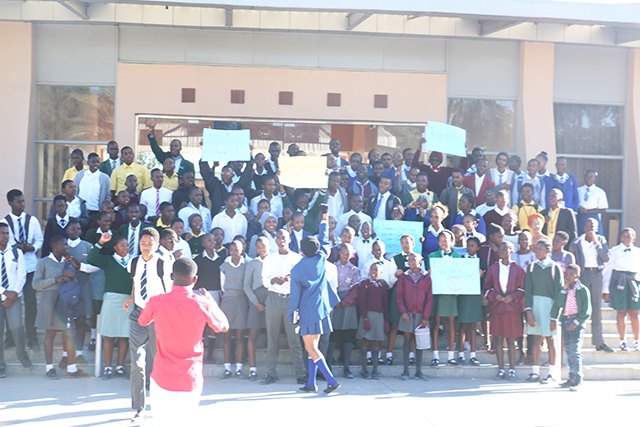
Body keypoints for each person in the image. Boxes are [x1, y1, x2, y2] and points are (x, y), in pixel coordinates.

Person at [138, 258, 228, 427]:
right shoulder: (203, 303)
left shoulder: (157, 301)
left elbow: (143, 321)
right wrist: (211, 302)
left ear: (172, 276)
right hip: (190, 377)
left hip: (162, 376)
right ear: (194, 279)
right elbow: (224, 326)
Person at [122, 228, 173, 425]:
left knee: (160, 363)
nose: (145, 247)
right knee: (137, 362)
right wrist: (132, 298)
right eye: (143, 243)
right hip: (139, 313)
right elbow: (136, 282)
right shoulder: (133, 262)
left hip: (158, 315)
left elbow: (169, 291)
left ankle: (164, 406)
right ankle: (139, 409)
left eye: (150, 244)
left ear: (157, 245)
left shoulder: (163, 263)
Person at [289, 213, 341, 394]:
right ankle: (311, 383)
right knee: (315, 348)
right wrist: (324, 219)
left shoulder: (296, 269)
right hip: (322, 308)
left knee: (310, 348)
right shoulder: (321, 258)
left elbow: (295, 297)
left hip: (307, 311)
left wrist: (291, 313)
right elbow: (325, 240)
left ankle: (331, 380)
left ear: (301, 250)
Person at [33, 235, 88, 379]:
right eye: (64, 244)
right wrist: (55, 279)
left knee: (70, 333)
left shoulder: (68, 262)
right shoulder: (43, 262)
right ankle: (49, 368)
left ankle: (72, 368)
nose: (67, 247)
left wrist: (72, 276)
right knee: (50, 334)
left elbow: (74, 282)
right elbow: (36, 284)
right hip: (49, 301)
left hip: (66, 302)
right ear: (55, 246)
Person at [260, 228, 306, 385]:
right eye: (278, 238)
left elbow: (302, 280)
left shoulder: (297, 258)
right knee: (272, 338)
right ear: (275, 240)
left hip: (291, 300)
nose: (281, 241)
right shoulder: (270, 259)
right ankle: (270, 373)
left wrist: (290, 278)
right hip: (274, 298)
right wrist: (274, 280)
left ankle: (301, 373)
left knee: (294, 338)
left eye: (284, 238)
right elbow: (265, 281)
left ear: (289, 240)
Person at [1, 190, 44, 350]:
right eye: (19, 202)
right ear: (10, 203)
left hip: (30, 267)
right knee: (9, 302)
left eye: (23, 201)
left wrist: (32, 247)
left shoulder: (32, 220)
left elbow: (39, 239)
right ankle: (10, 337)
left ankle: (32, 337)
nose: (22, 204)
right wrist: (16, 247)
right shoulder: (4, 222)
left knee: (31, 302)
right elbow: (3, 243)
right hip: (11, 270)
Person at [87, 233, 132, 379]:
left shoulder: (133, 261)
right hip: (111, 300)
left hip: (128, 301)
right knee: (109, 335)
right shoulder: (108, 260)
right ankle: (107, 367)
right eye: (121, 245)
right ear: (115, 248)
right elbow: (91, 259)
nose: (125, 248)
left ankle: (120, 367)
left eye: (127, 245)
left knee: (124, 336)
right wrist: (100, 242)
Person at [483, 241, 525, 381]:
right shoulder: (493, 268)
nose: (501, 251)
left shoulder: (518, 269)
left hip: (512, 309)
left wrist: (512, 297)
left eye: (504, 249)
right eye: (500, 249)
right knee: (498, 339)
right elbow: (486, 287)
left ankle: (512, 369)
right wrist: (495, 296)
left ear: (511, 251)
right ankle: (501, 369)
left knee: (511, 340)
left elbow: (522, 288)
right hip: (497, 308)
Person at [569, 218, 611, 352]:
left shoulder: (601, 240)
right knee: (579, 307)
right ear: (584, 228)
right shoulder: (577, 242)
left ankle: (598, 342)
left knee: (596, 308)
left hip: (596, 274)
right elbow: (572, 259)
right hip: (583, 275)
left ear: (597, 228)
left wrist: (596, 243)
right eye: (587, 226)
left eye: (592, 227)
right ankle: (574, 341)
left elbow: (606, 257)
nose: (589, 229)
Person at [524, 239, 563, 383]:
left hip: (549, 307)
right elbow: (528, 290)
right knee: (535, 339)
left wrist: (554, 317)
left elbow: (559, 293)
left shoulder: (554, 268)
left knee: (550, 339)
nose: (537, 251)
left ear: (548, 250)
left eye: (540, 248)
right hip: (535, 306)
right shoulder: (532, 267)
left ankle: (552, 374)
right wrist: (528, 311)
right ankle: (535, 372)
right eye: (536, 248)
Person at [551, 264, 591, 390]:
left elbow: (587, 310)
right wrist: (563, 290)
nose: (567, 277)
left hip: (576, 323)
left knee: (575, 351)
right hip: (566, 321)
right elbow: (559, 303)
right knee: (568, 351)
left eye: (570, 274)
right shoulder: (565, 289)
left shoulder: (582, 290)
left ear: (577, 276)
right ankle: (571, 377)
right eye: (566, 274)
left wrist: (577, 322)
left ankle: (578, 379)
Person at [63, 219, 98, 364]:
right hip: (66, 288)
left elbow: (96, 266)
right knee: (67, 322)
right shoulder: (62, 245)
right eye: (73, 229)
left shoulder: (87, 246)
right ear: (67, 230)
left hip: (83, 287)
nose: (76, 231)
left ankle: (79, 353)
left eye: (78, 229)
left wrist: (80, 267)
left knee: (81, 320)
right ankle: (65, 354)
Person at [0, 223, 31, 378]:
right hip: (4, 294)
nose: (6, 236)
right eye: (2, 233)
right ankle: (1, 365)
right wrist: (5, 292)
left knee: (17, 326)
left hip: (14, 297)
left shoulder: (16, 252)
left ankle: (22, 354)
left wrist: (13, 294)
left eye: (7, 233)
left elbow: (22, 276)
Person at [396, 252, 432, 381]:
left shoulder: (426, 277)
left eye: (413, 259)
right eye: (409, 259)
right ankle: (405, 371)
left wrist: (425, 317)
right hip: (408, 313)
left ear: (420, 261)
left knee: (419, 342)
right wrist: (403, 312)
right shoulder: (404, 277)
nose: (410, 261)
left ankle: (418, 371)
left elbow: (429, 298)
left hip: (421, 314)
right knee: (407, 339)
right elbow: (399, 296)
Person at [603, 228, 640, 351]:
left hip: (634, 283)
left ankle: (637, 341)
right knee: (621, 312)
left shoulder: (638, 252)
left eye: (629, 237)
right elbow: (607, 270)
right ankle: (623, 341)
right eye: (624, 236)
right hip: (619, 283)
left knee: (634, 313)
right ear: (620, 238)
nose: (626, 239)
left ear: (633, 239)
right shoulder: (614, 251)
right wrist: (605, 289)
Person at [428, 230, 461, 366]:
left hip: (451, 294)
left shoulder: (458, 257)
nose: (443, 243)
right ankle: (435, 355)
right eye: (441, 240)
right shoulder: (432, 256)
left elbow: (461, 275)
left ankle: (451, 356)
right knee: (436, 322)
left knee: (451, 323)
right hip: (438, 293)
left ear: (452, 242)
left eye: (446, 240)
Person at [328, 243, 360, 379]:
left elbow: (355, 290)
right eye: (343, 253)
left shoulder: (354, 270)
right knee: (332, 333)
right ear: (339, 253)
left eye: (348, 254)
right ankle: (328, 365)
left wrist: (343, 303)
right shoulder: (332, 267)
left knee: (347, 334)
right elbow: (328, 286)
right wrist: (335, 301)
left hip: (348, 303)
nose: (345, 256)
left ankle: (346, 367)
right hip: (334, 302)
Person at [219, 240, 249, 379]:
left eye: (237, 250)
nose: (234, 252)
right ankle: (227, 369)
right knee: (227, 335)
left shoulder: (246, 265)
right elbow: (222, 285)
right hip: (228, 300)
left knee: (240, 335)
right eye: (232, 250)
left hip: (241, 299)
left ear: (242, 250)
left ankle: (239, 368)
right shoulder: (224, 266)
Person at [355, 262, 389, 379]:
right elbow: (361, 301)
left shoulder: (382, 287)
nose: (373, 272)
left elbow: (385, 304)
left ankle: (375, 370)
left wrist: (386, 321)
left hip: (379, 317)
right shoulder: (365, 284)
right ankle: (364, 370)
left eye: (376, 270)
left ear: (381, 272)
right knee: (366, 341)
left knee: (376, 342)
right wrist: (365, 317)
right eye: (372, 269)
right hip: (368, 316)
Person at [243, 236, 270, 380]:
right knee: (253, 334)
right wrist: (256, 303)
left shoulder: (275, 261)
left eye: (263, 246)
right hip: (257, 300)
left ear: (269, 246)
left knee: (272, 335)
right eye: (258, 247)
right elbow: (246, 286)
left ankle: (270, 369)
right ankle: (253, 369)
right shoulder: (252, 263)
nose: (261, 249)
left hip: (272, 299)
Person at [458, 237, 486, 365]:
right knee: (462, 325)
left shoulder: (481, 262)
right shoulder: (461, 259)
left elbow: (485, 280)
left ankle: (473, 355)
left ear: (478, 248)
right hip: (463, 295)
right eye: (468, 245)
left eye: (473, 246)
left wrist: (481, 276)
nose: (470, 248)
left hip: (474, 296)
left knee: (473, 326)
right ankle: (461, 354)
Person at [75, 153, 111, 222]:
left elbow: (107, 195)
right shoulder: (80, 175)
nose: (95, 164)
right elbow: (74, 191)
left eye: (97, 162)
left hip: (96, 211)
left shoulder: (104, 177)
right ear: (88, 162)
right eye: (93, 162)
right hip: (81, 211)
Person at [577, 170, 608, 235]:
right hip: (581, 217)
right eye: (587, 176)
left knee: (594, 237)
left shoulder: (599, 191)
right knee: (581, 237)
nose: (588, 178)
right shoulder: (578, 190)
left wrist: (587, 211)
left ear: (594, 178)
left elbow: (604, 209)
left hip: (593, 217)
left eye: (591, 177)